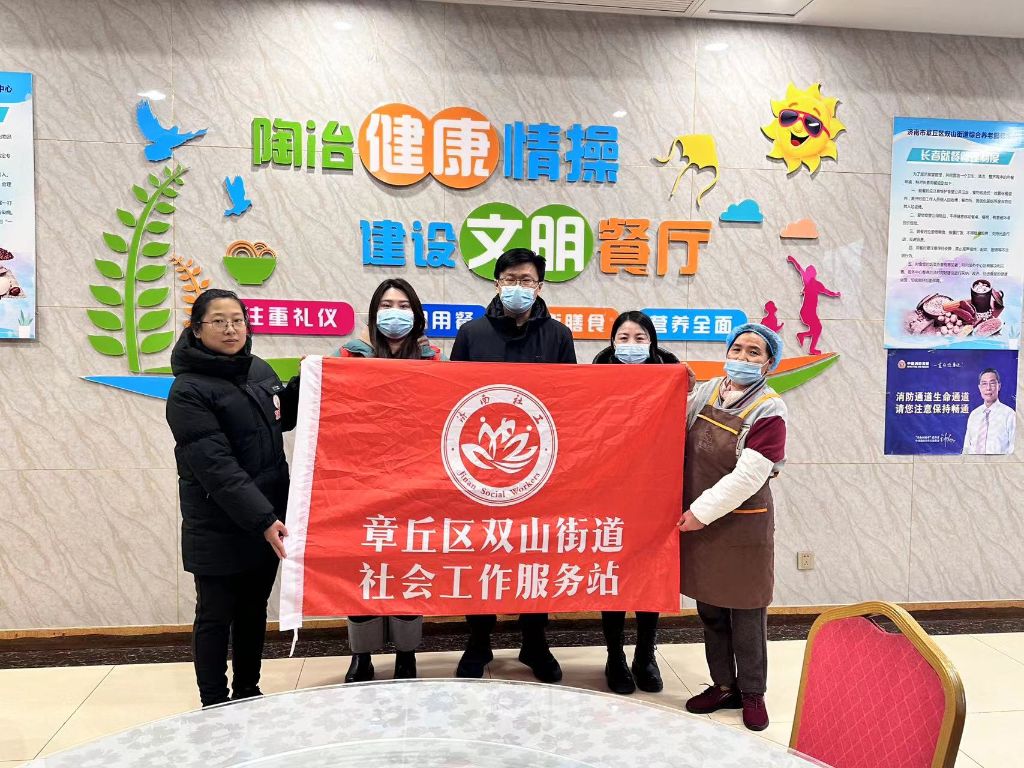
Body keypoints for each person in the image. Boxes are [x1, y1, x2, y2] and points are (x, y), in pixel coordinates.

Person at [165, 289, 298, 708]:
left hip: (265, 519)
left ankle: (247, 691)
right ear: (196, 329)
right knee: (215, 616)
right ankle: (213, 702)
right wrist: (263, 518)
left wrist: (310, 380)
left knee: (253, 610)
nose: (230, 329)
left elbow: (282, 417)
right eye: (218, 321)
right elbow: (217, 468)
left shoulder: (257, 369)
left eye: (237, 320)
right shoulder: (188, 390)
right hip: (218, 523)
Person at [450, 247, 576, 682]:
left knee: (536, 554)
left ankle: (534, 642)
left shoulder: (559, 336)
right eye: (509, 279)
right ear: (496, 283)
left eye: (526, 280)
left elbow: (572, 401)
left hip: (540, 466)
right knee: (481, 552)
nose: (517, 287)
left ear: (539, 286)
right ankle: (478, 641)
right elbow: (452, 400)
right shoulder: (471, 334)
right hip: (479, 467)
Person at [677, 323, 788, 732]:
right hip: (703, 524)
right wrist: (675, 385)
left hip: (742, 526)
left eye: (753, 353)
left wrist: (700, 512)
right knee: (710, 609)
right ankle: (723, 685)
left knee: (746, 614)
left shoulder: (770, 409)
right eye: (737, 349)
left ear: (769, 364)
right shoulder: (708, 391)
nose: (742, 357)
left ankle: (753, 692)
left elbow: (749, 475)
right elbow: (672, 421)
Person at [338, 278, 442, 684]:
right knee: (362, 569)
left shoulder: (434, 360)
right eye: (386, 305)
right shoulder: (348, 356)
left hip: (417, 482)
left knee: (409, 567)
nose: (394, 313)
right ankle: (361, 655)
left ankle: (406, 654)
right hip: (361, 481)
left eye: (402, 305)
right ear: (373, 313)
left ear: (416, 315)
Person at [592, 311, 692, 695]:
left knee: (651, 571)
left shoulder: (670, 377)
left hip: (655, 492)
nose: (631, 345)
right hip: (609, 491)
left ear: (652, 343)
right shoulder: (596, 377)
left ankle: (645, 654)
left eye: (639, 338)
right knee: (613, 571)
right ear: (611, 342)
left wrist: (686, 387)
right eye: (623, 338)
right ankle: (614, 655)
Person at [963, 368, 1015, 454]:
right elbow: (966, 448)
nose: (988, 388)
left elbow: (1014, 450)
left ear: (999, 386)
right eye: (984, 384)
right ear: (979, 388)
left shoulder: (1010, 415)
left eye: (992, 383)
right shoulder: (974, 415)